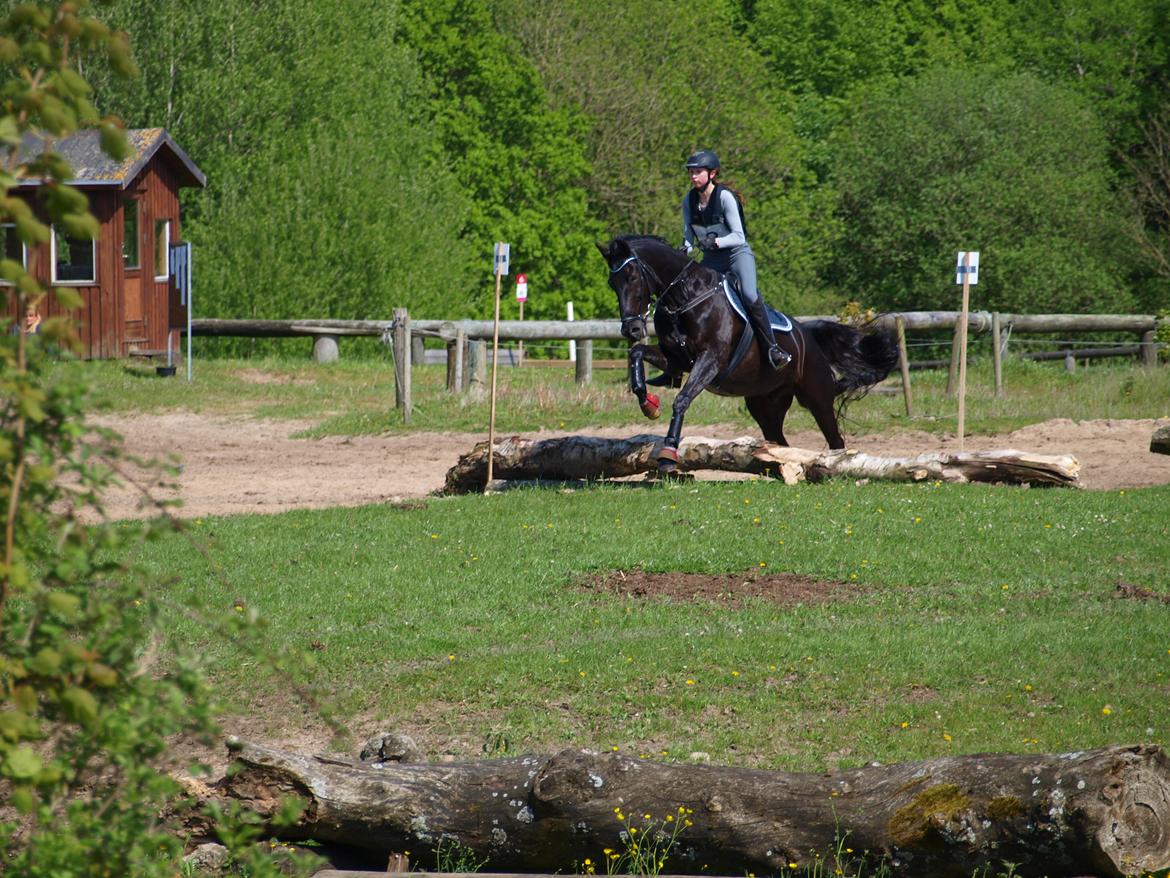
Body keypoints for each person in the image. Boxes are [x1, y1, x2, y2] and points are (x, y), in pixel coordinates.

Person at [681, 149, 790, 370]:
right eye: (691, 172)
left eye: (698, 172)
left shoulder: (724, 197)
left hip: (736, 255)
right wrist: (685, 249)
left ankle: (773, 348)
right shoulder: (688, 200)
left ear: (712, 174)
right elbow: (688, 236)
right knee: (688, 294)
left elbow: (739, 236)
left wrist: (717, 243)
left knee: (749, 294)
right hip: (711, 259)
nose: (693, 176)